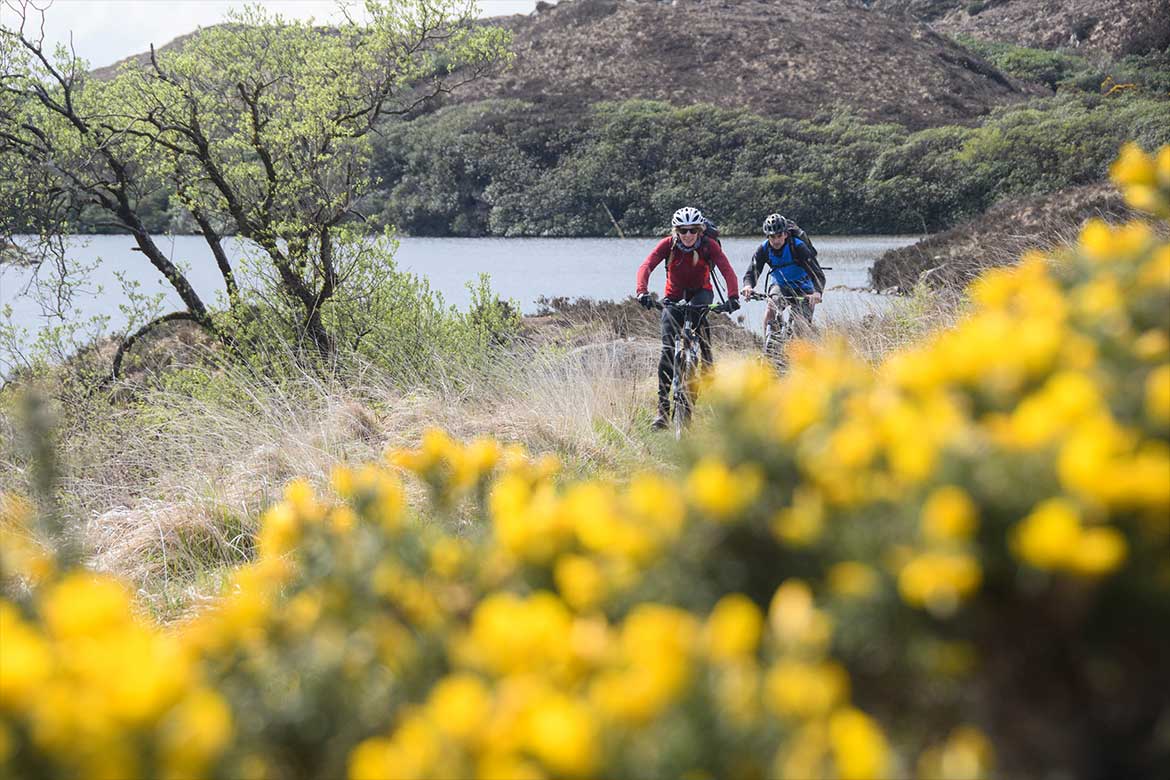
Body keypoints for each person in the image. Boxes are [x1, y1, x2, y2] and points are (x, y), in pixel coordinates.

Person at [636, 206, 740, 430]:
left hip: (701, 292)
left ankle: (707, 363)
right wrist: (642, 291)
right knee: (666, 353)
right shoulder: (668, 244)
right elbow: (647, 265)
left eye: (693, 230)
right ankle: (662, 413)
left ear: (700, 230)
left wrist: (733, 296)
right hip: (673, 295)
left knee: (699, 321)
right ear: (676, 231)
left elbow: (726, 269)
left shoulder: (707, 245)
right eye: (683, 230)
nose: (688, 235)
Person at [741, 213, 825, 334]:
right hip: (780, 286)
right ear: (767, 237)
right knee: (771, 309)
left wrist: (817, 292)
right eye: (772, 237)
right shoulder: (764, 249)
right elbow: (752, 271)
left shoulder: (798, 247)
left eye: (779, 235)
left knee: (800, 325)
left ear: (785, 234)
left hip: (804, 288)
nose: (776, 240)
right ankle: (767, 347)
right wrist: (748, 286)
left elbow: (817, 273)